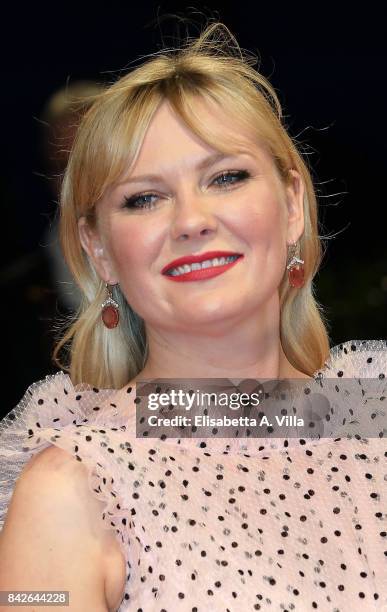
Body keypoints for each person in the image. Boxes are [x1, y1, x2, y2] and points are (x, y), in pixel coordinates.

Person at [0, 21, 386, 612]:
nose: (191, 220)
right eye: (144, 198)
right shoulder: (71, 489)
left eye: (225, 177)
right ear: (99, 249)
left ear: (290, 207)